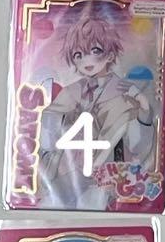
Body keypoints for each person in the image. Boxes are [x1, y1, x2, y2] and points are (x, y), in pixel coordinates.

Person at [39, 12, 156, 209]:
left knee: (93, 209)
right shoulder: (72, 91)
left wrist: (144, 109)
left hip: (103, 175)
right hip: (67, 170)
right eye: (78, 55)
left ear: (110, 55)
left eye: (95, 50)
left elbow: (137, 144)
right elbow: (49, 125)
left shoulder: (123, 92)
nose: (86, 60)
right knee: (54, 207)